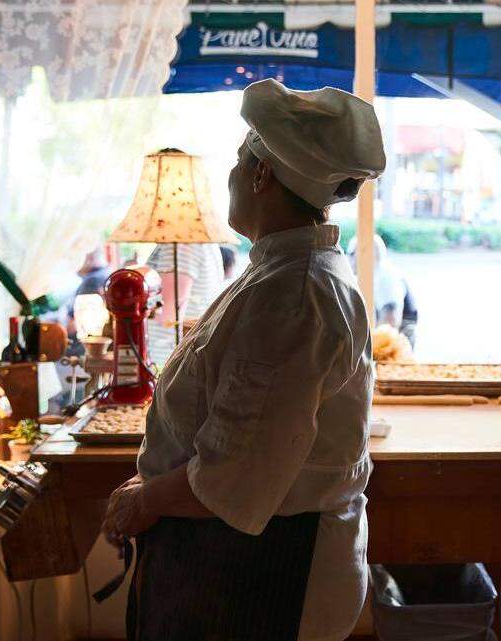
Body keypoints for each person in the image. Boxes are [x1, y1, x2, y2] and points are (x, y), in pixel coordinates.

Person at [100, 78, 385, 641]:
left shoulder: (292, 295)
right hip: (248, 558)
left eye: (238, 161)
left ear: (261, 175)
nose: (230, 177)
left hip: (270, 571)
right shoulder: (280, 273)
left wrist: (141, 501)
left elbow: (237, 476)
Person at [145, 240, 224, 365]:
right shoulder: (203, 241)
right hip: (180, 356)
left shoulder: (180, 244)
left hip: (165, 356)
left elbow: (167, 313)